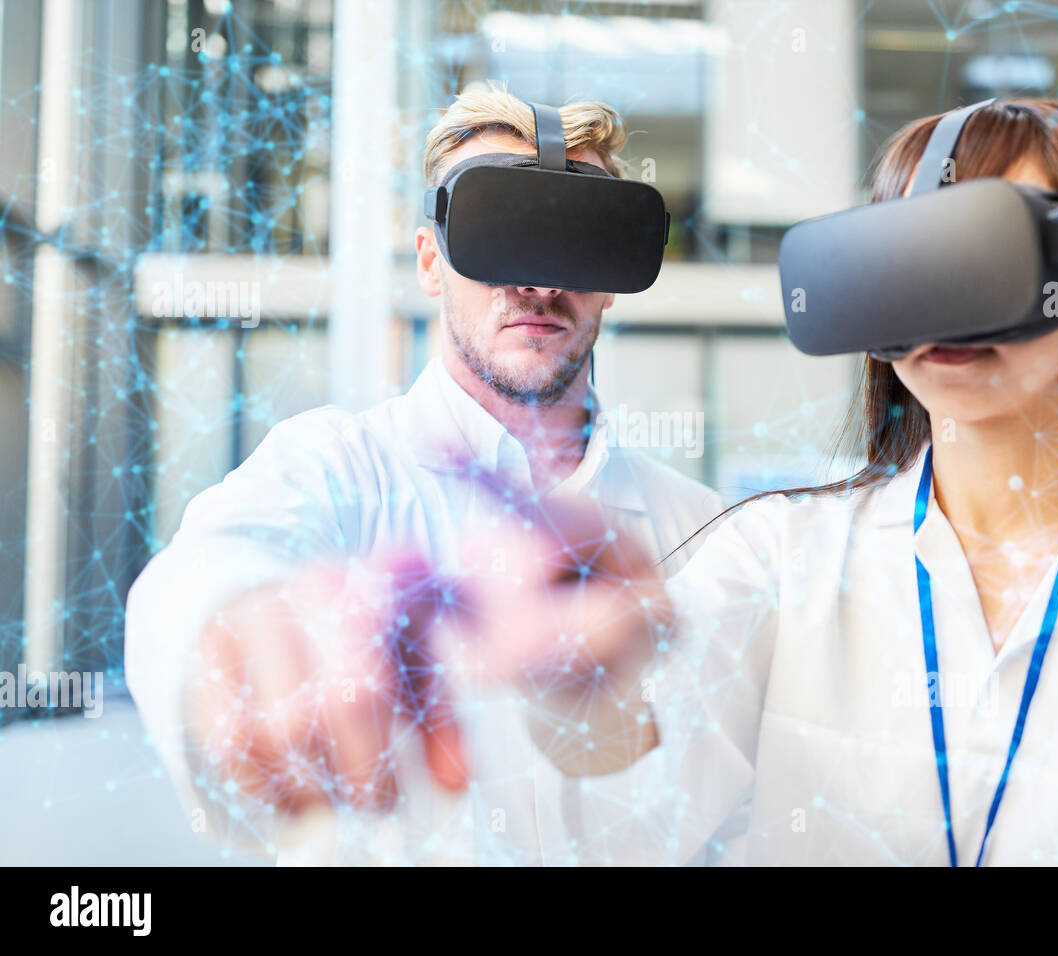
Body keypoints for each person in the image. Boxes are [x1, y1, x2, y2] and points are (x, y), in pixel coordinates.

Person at [469, 99, 1058, 865]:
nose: (943, 303)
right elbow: (627, 796)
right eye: (909, 256)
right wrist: (577, 672)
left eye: (984, 248)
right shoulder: (774, 562)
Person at [124, 81, 720, 865]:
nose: (537, 284)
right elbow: (200, 572)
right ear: (431, 262)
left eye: (572, 239)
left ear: (608, 279)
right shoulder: (335, 469)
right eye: (498, 233)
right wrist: (230, 634)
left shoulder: (704, 530)